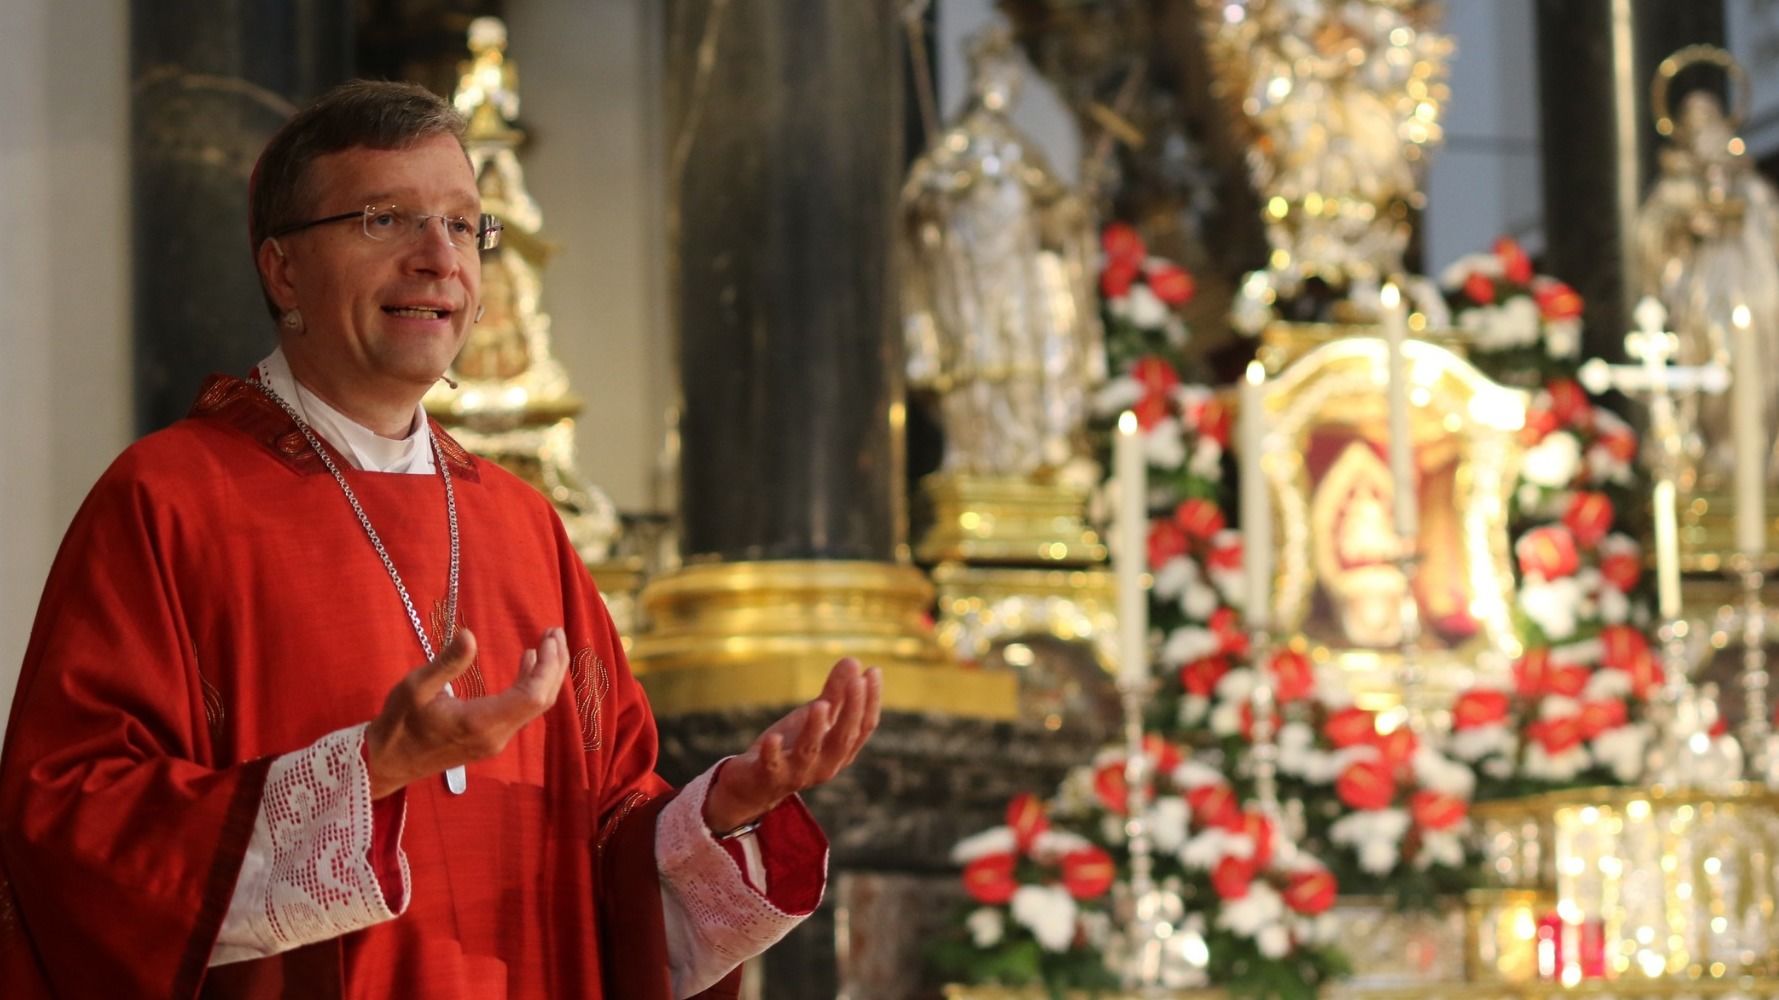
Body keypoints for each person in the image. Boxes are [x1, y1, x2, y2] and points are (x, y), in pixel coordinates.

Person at [0, 80, 879, 999]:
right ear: (282, 270)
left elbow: (610, 834)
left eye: (464, 226)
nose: (438, 259)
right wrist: (374, 771)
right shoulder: (172, 499)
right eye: (385, 220)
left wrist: (722, 811)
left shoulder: (522, 522)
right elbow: (67, 829)